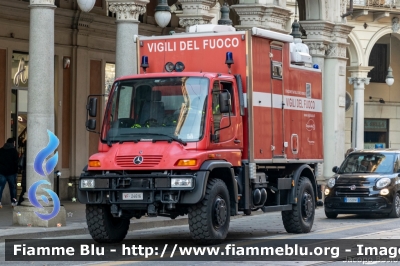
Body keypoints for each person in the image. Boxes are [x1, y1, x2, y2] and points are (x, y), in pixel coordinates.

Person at [0, 138, 19, 208]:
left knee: (0, 187)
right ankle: (13, 202)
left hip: (1, 172)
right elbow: (16, 162)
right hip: (11, 172)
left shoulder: (1, 150)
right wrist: (16, 171)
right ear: (13, 143)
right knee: (12, 188)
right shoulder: (14, 151)